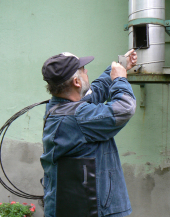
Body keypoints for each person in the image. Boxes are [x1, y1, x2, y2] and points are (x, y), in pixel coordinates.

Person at [40, 50, 137, 217]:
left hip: (74, 206)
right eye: (84, 69)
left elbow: (95, 92)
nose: (87, 72)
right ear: (76, 82)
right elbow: (125, 108)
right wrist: (120, 79)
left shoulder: (58, 108)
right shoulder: (77, 116)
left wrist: (120, 66)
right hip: (92, 210)